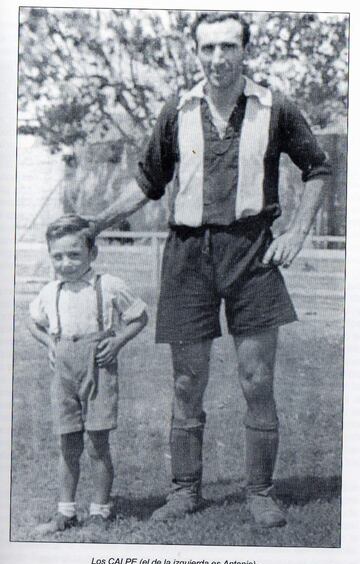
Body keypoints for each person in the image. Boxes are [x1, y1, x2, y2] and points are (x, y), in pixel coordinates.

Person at [93, 12, 331, 527]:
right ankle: (184, 492)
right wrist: (97, 223)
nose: (218, 59)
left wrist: (295, 234)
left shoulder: (275, 108)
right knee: (185, 382)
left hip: (252, 252)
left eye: (228, 47)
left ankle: (261, 493)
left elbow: (319, 168)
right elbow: (148, 183)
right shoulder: (176, 110)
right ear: (196, 53)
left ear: (245, 50)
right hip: (187, 255)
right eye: (208, 49)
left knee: (257, 379)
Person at [28, 214, 147, 534]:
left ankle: (99, 512)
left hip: (98, 367)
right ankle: (65, 512)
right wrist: (49, 345)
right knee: (67, 443)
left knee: (97, 444)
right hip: (64, 372)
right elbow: (33, 322)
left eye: (74, 254)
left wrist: (118, 342)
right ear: (50, 255)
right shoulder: (50, 291)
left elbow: (139, 316)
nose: (66, 263)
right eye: (58, 256)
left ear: (92, 253)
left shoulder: (108, 286)